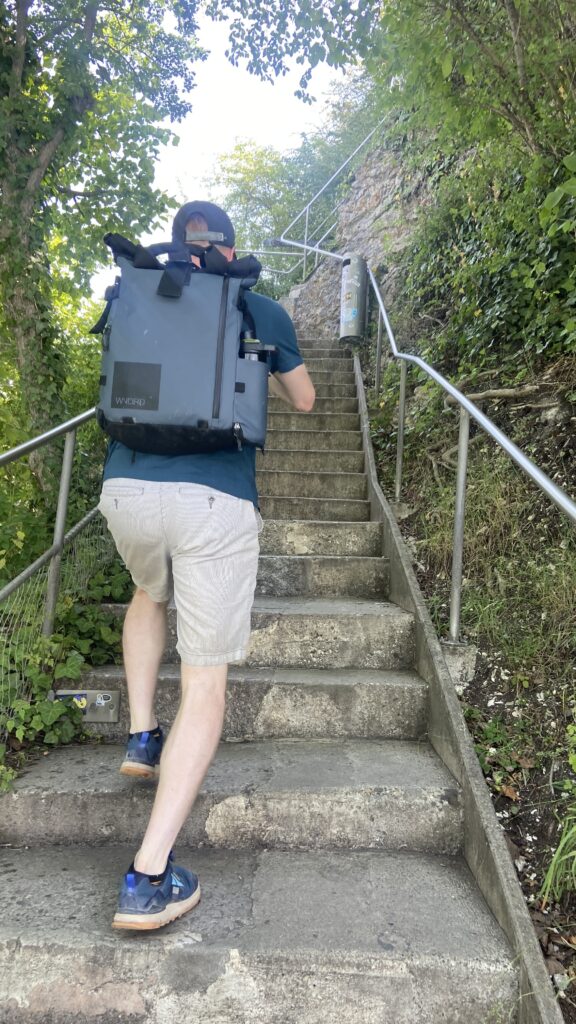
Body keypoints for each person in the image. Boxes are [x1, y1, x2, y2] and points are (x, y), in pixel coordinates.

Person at [97, 200, 315, 931]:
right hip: (213, 500)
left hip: (126, 489)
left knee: (146, 591)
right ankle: (148, 876)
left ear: (178, 246)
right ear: (228, 247)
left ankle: (138, 731)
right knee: (207, 683)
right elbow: (309, 401)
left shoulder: (140, 291)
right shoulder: (257, 306)